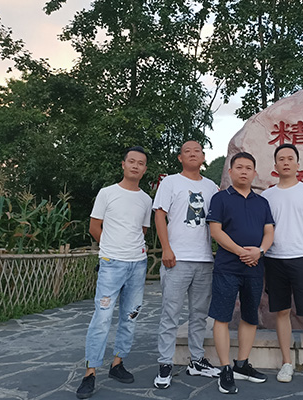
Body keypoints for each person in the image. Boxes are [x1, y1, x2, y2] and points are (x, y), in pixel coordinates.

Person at [76, 146, 153, 399]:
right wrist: (110, 248)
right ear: (123, 164)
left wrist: (130, 249)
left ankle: (118, 363)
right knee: (102, 317)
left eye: (140, 163)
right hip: (111, 264)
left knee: (130, 316)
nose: (135, 166)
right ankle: (90, 372)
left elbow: (141, 230)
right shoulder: (107, 193)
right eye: (132, 161)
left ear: (144, 169)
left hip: (137, 264)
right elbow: (94, 226)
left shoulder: (146, 200)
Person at [261, 143, 303, 396]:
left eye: (290, 158)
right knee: (281, 312)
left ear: (297, 164)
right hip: (274, 260)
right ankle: (286, 362)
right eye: (281, 159)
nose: (286, 162)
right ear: (275, 165)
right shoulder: (267, 196)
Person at [153, 140, 220, 389]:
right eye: (187, 151)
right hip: (177, 259)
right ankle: (165, 363)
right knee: (170, 313)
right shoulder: (170, 182)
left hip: (204, 259)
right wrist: (166, 248)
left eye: (197, 151)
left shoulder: (211, 186)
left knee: (199, 314)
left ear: (203, 157)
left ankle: (197, 360)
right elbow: (159, 214)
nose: (192, 154)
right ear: (180, 158)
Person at [206, 152, 275, 394]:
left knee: (250, 316)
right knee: (222, 317)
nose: (244, 171)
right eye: (239, 167)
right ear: (230, 171)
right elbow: (216, 231)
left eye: (248, 168)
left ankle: (242, 364)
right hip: (227, 268)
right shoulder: (220, 199)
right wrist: (241, 252)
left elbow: (269, 232)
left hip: (255, 267)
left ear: (255, 173)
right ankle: (225, 368)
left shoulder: (262, 202)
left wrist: (260, 251)